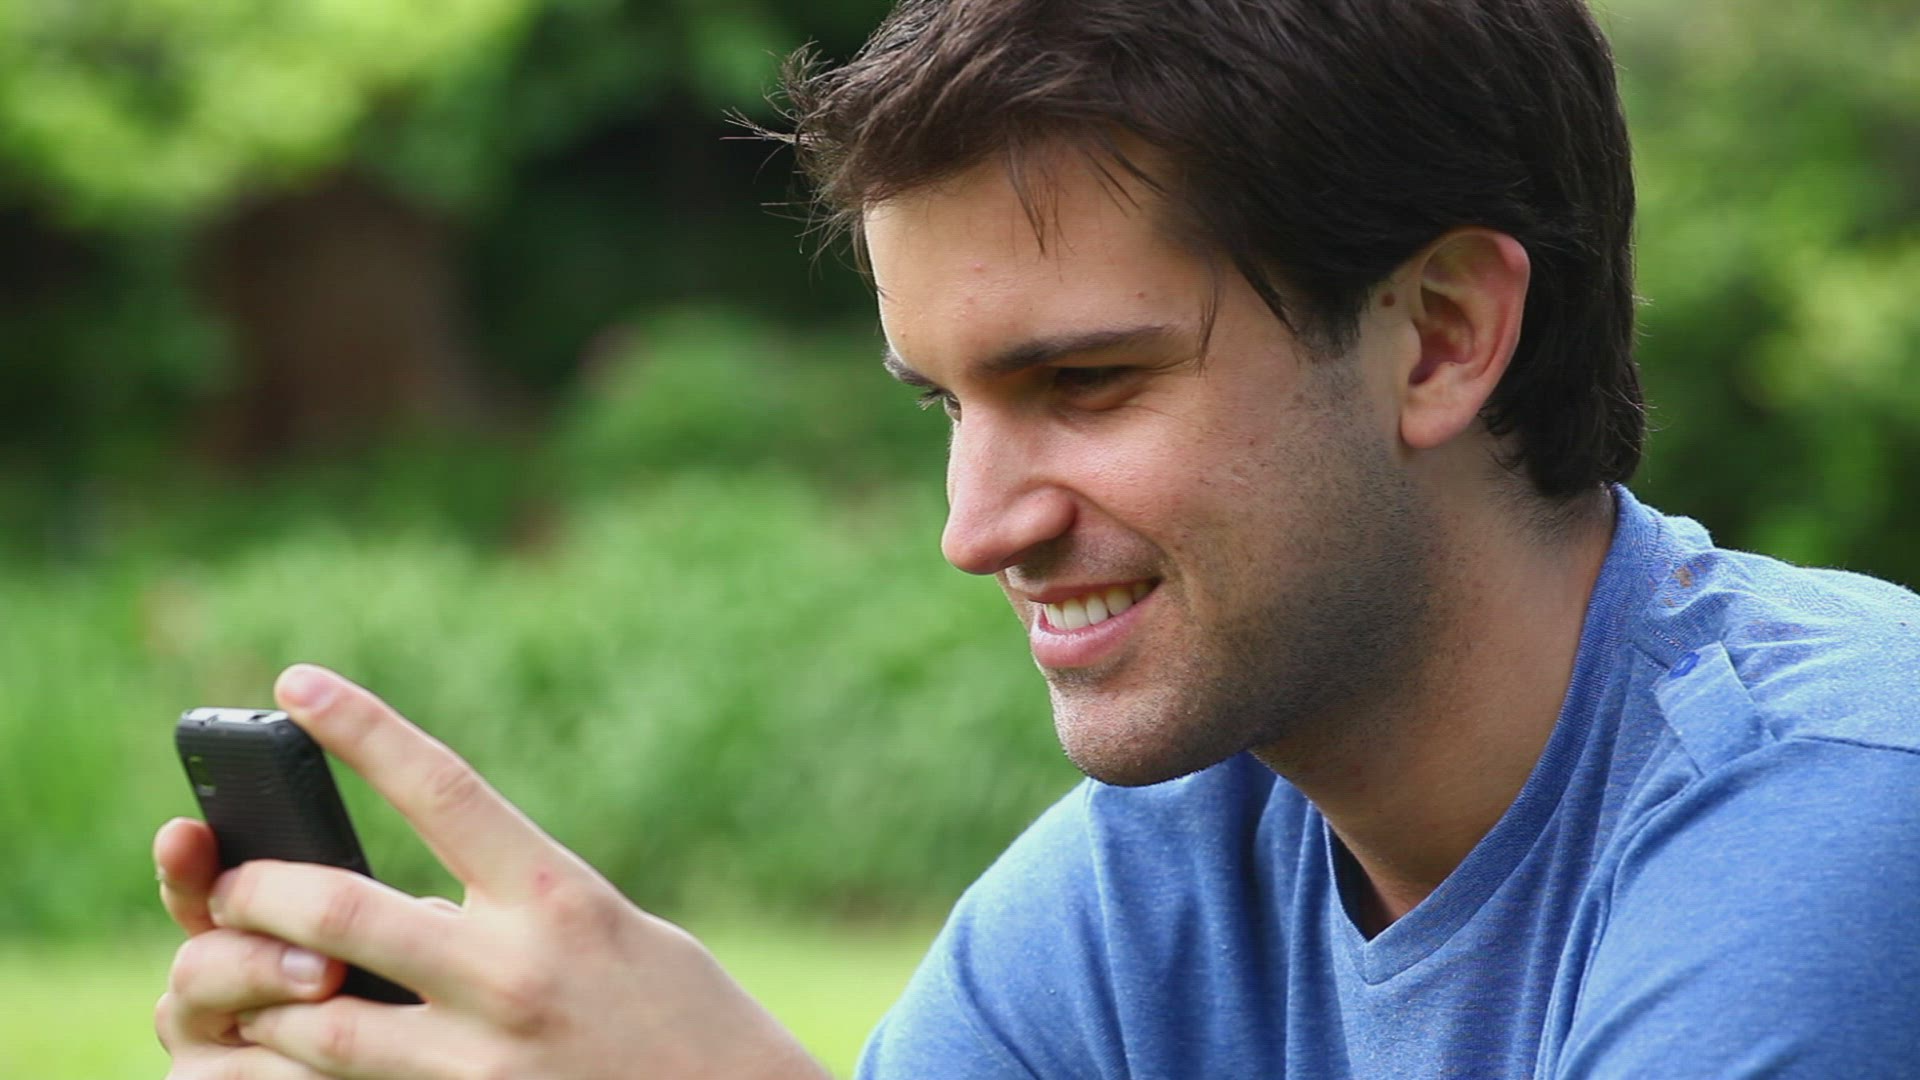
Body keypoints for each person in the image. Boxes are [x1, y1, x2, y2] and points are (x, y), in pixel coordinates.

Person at [154, 0, 1920, 1076]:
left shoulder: (1841, 810)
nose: (974, 528)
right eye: (945, 403)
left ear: (1443, 335)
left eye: (1085, 381)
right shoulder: (1160, 881)